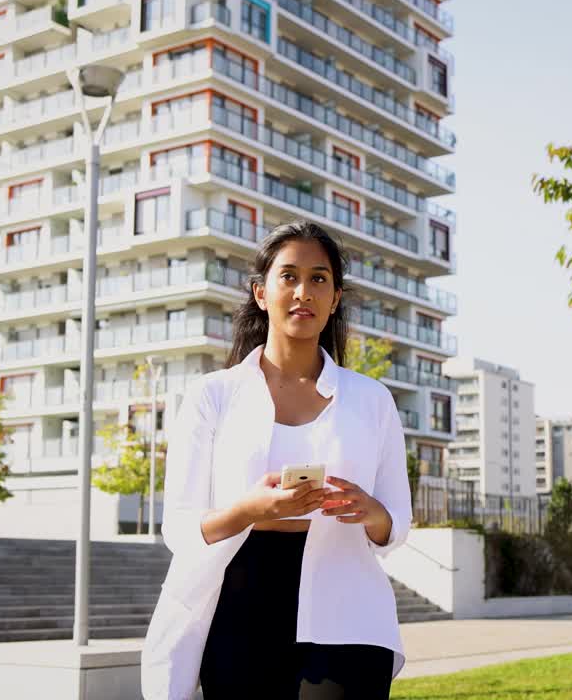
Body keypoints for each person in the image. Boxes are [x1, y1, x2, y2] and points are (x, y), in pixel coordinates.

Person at [140, 220, 413, 700]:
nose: (303, 291)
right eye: (288, 276)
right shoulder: (212, 396)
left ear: (335, 299)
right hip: (239, 607)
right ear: (261, 293)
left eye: (319, 279)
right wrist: (250, 510)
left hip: (347, 610)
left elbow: (396, 524)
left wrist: (372, 512)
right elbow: (179, 528)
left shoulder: (372, 400)